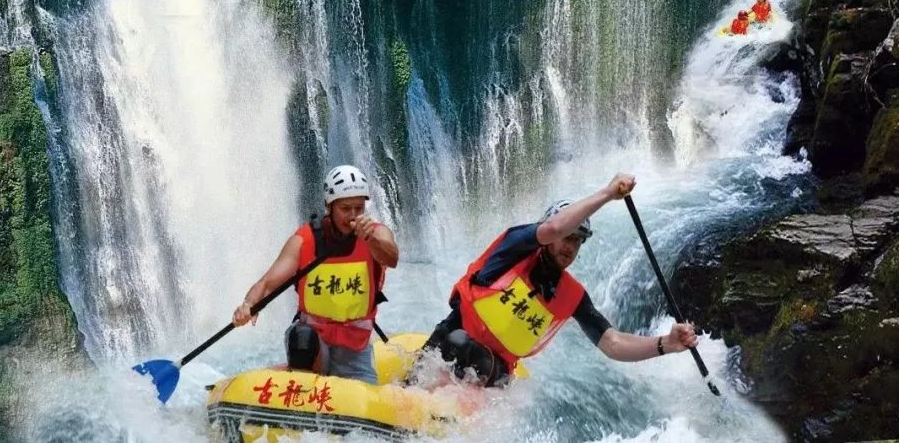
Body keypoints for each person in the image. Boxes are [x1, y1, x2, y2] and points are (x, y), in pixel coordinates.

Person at [419, 174, 699, 387]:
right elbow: (553, 228)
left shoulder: (572, 295)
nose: (571, 246)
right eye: (568, 237)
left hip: (491, 375)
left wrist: (665, 344)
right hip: (449, 348)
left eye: (578, 241)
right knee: (460, 341)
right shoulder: (515, 249)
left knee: (489, 365)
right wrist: (606, 194)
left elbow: (612, 343)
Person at [232, 164, 399, 384]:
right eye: (345, 208)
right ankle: (304, 388)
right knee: (301, 336)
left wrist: (370, 239)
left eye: (359, 208)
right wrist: (248, 304)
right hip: (314, 347)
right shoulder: (304, 240)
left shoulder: (377, 234)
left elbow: (391, 258)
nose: (352, 216)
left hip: (355, 349)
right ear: (329, 206)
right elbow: (267, 283)